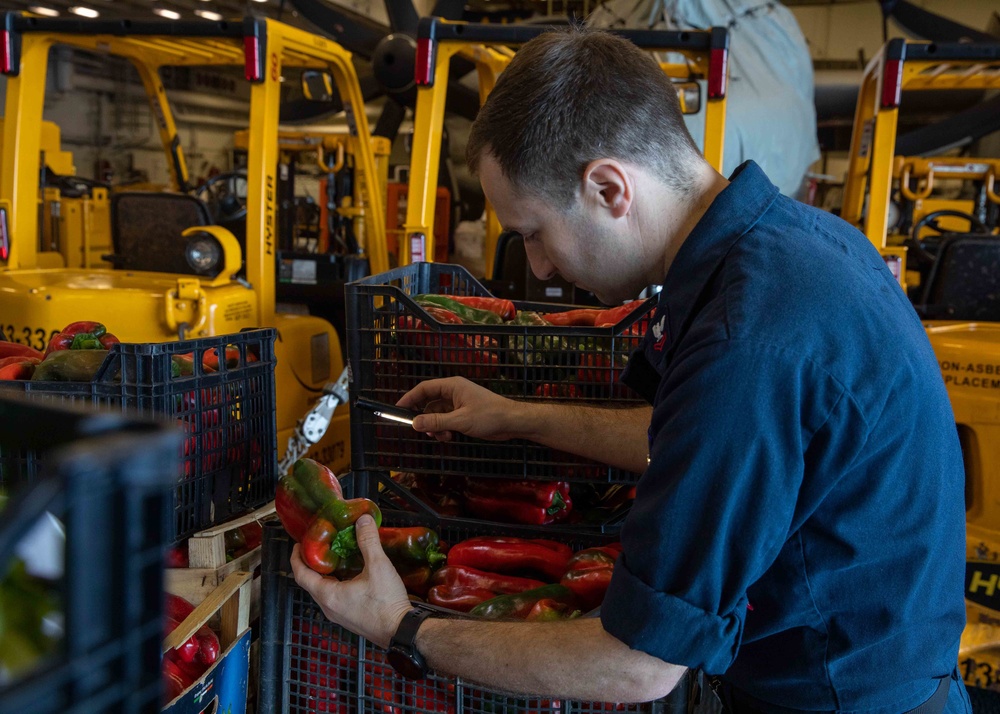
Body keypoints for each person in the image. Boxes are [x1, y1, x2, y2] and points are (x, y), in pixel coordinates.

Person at [291, 26, 970, 713]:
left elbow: (637, 665)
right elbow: (688, 442)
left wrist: (400, 626)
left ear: (610, 188)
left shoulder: (750, 336)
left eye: (534, 233)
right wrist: (514, 416)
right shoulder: (794, 244)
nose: (539, 267)